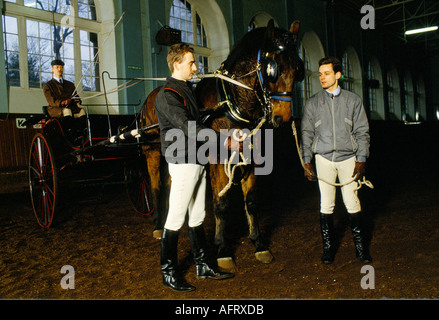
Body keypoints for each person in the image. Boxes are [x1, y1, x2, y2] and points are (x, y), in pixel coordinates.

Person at [155, 43, 240, 292]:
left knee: (197, 215)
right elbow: (187, 127)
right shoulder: (167, 94)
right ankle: (168, 273)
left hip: (197, 157)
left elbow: (194, 118)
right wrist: (224, 139)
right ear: (177, 64)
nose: (195, 67)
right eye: (191, 63)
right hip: (182, 160)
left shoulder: (185, 89)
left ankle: (203, 265)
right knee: (176, 217)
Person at [300, 56, 372, 264]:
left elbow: (362, 131)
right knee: (326, 204)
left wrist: (361, 159)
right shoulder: (312, 103)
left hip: (349, 158)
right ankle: (328, 250)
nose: (322, 77)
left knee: (352, 202)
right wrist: (307, 161)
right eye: (320, 74)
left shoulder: (353, 101)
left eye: (327, 73)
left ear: (338, 75)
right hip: (323, 159)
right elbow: (306, 134)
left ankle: (361, 249)